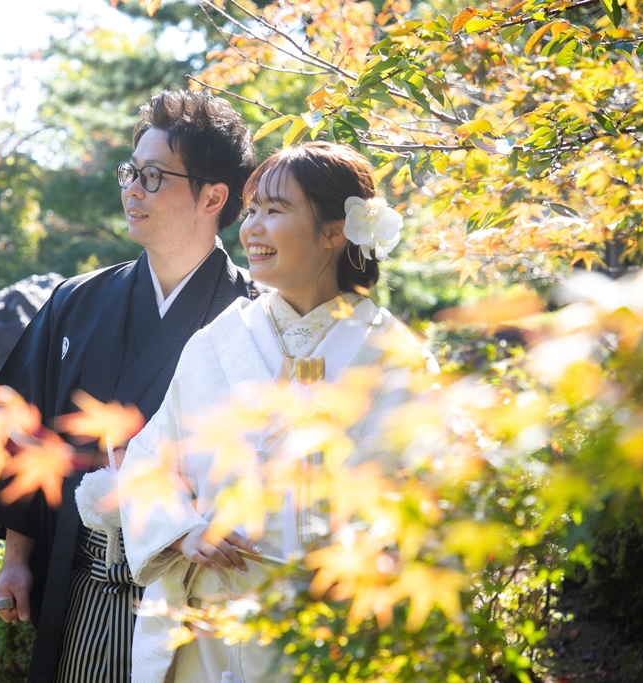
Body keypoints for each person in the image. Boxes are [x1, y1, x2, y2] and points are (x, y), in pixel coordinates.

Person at [0, 89, 259, 683]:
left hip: (192, 593)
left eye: (154, 177)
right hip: (83, 579)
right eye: (131, 172)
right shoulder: (77, 302)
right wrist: (16, 561)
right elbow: (23, 429)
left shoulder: (252, 319)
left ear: (213, 197)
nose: (132, 190)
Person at [118, 141, 437, 682]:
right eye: (251, 211)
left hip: (334, 633)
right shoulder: (216, 342)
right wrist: (184, 531)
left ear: (334, 231)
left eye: (275, 209)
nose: (251, 229)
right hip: (210, 631)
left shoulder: (394, 358)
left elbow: (430, 499)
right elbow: (148, 461)